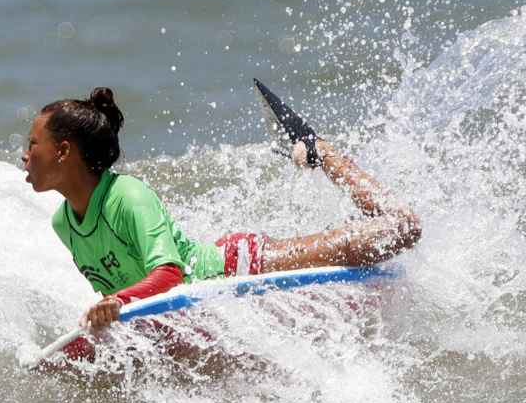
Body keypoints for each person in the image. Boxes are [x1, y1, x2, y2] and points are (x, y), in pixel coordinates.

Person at [21, 86, 421, 330]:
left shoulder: (127, 197)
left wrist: (117, 303)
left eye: (32, 144)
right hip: (206, 297)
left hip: (241, 266)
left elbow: (169, 274)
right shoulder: (64, 223)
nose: (24, 156)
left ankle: (320, 151)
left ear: (64, 151)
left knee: (401, 229)